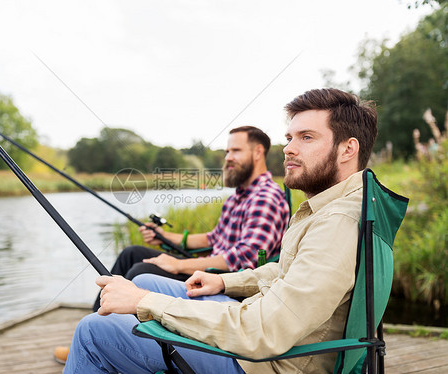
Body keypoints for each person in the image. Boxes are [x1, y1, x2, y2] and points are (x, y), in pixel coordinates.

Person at [63, 87, 379, 373]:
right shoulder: (329, 208)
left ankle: (108, 350)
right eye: (289, 138)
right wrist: (223, 280)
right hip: (263, 324)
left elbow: (264, 329)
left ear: (347, 149)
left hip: (267, 361)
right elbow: (282, 270)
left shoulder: (335, 221)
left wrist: (150, 299)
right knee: (143, 277)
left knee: (94, 331)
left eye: (306, 137)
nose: (288, 149)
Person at [53, 126, 290, 363]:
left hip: (223, 283)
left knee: (140, 271)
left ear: (258, 152)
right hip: (207, 271)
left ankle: (121, 345)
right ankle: (95, 327)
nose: (228, 158)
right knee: (131, 254)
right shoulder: (240, 196)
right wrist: (165, 236)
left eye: (235, 151)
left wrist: (178, 265)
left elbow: (243, 258)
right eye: (227, 151)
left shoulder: (264, 197)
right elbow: (213, 238)